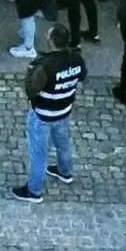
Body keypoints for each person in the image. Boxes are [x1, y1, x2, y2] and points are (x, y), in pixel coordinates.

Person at [11, 22, 86, 203]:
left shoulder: (45, 66)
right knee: (63, 143)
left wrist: (30, 72)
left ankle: (33, 190)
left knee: (38, 154)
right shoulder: (77, 59)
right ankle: (64, 171)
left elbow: (31, 90)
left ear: (51, 41)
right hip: (63, 110)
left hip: (43, 114)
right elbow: (82, 76)